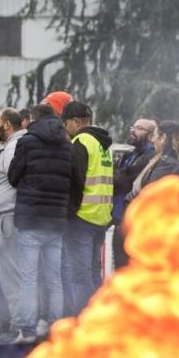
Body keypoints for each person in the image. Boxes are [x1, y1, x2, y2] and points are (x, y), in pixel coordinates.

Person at [8, 104, 74, 343]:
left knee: (28, 278)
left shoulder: (27, 142)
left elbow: (13, 176)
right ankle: (55, 329)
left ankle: (27, 330)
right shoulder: (67, 144)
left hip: (31, 219)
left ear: (34, 118)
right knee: (54, 279)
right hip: (56, 220)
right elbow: (74, 180)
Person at [61, 101, 114, 315]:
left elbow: (75, 182)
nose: (66, 130)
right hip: (100, 217)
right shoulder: (103, 145)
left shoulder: (81, 142)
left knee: (80, 277)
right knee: (93, 274)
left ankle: (83, 322)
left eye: (66, 124)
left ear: (74, 121)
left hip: (82, 218)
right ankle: (99, 319)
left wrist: (69, 215)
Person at [0, 108, 27, 335]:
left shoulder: (13, 148)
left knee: (11, 277)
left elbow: (12, 189)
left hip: (6, 220)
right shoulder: (16, 145)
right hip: (10, 218)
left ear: (8, 125)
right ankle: (21, 324)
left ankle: (19, 325)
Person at [112, 118, 157, 269]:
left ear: (151, 136)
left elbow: (125, 180)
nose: (132, 130)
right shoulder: (129, 155)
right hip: (120, 219)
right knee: (119, 266)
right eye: (133, 126)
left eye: (139, 128)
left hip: (134, 223)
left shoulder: (150, 157)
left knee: (129, 268)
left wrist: (118, 176)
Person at [127, 121, 179, 202]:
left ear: (163, 138)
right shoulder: (166, 162)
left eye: (155, 135)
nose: (152, 140)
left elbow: (151, 197)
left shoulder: (167, 165)